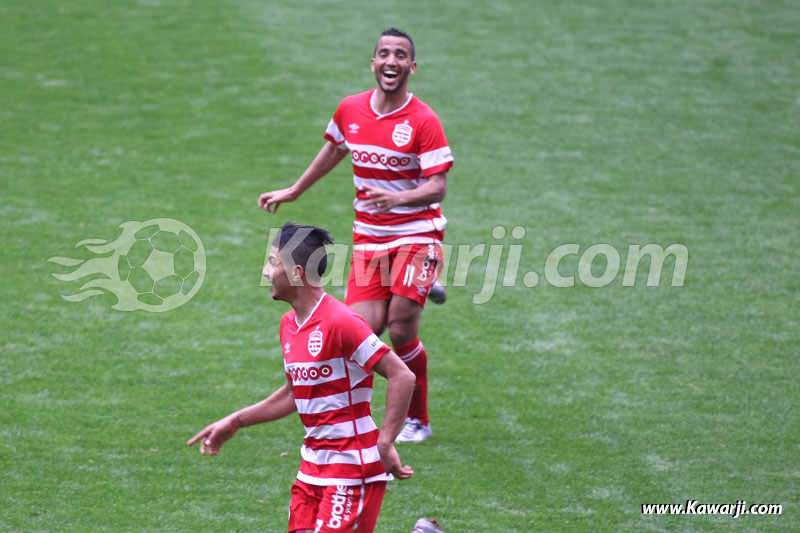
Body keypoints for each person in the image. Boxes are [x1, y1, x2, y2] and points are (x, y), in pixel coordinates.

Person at [258, 28, 454, 443]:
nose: (391, 61)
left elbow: (437, 187)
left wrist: (398, 199)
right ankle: (347, 416)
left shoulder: (424, 120)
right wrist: (294, 190)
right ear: (373, 63)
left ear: (412, 67)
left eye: (400, 55)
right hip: (369, 239)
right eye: (384, 53)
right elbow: (333, 148)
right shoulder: (351, 109)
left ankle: (418, 421)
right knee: (361, 332)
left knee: (400, 328)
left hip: (416, 234)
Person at [188, 223, 416, 533]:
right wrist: (236, 421)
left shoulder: (342, 322)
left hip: (353, 467)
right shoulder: (289, 324)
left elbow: (402, 375)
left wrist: (386, 442)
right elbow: (293, 394)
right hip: (312, 469)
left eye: (273, 263)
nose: (266, 272)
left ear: (296, 273)